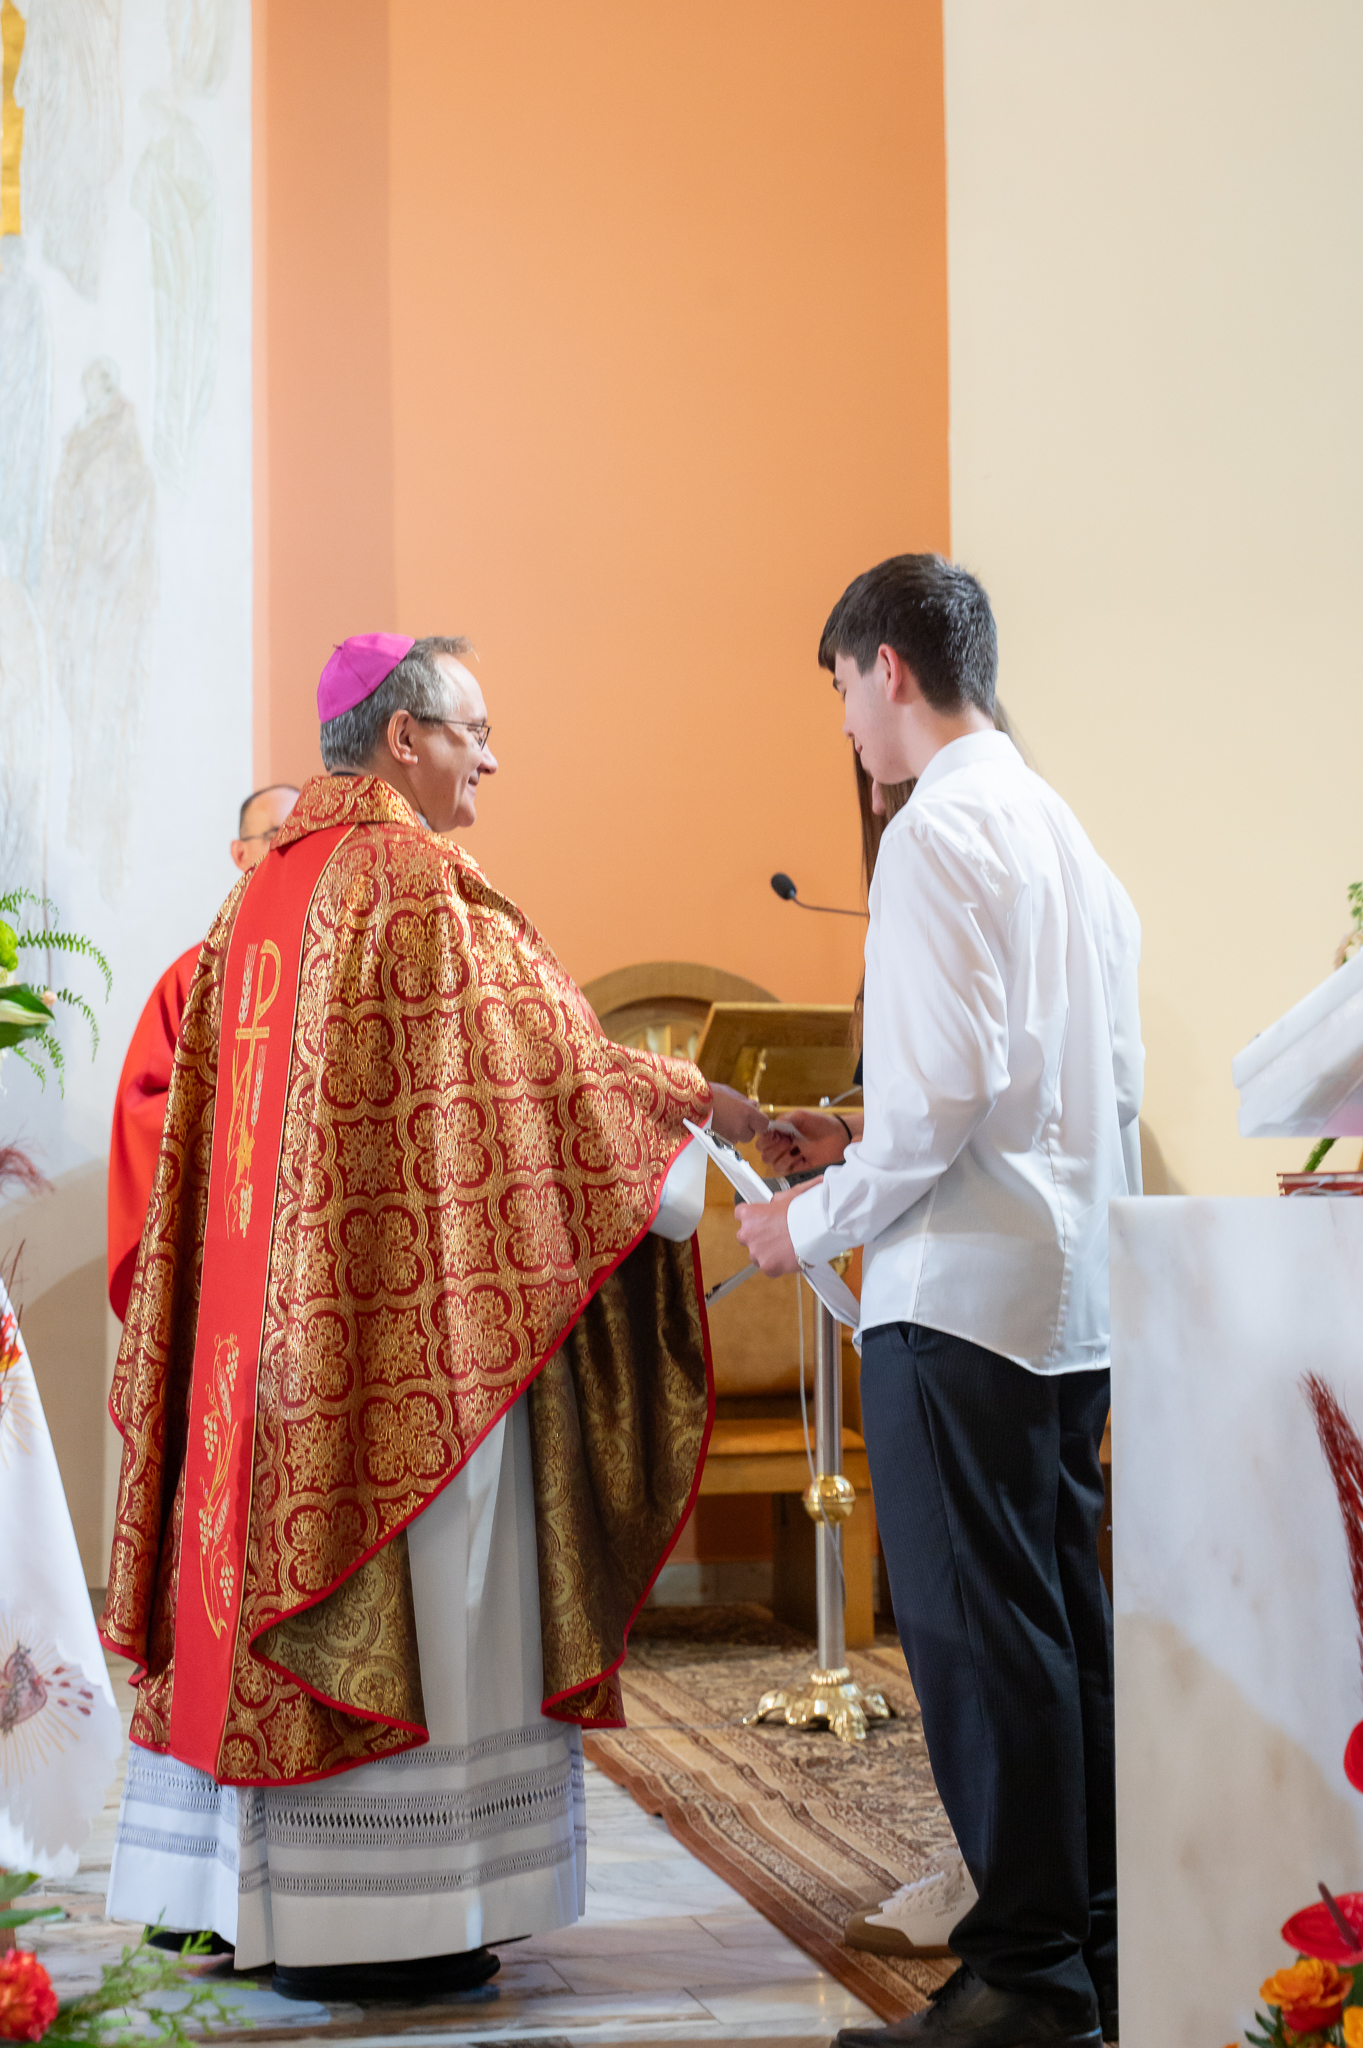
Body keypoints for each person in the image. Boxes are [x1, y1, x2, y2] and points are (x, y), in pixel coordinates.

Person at [100, 633, 764, 2001]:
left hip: (262, 1372)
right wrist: (703, 1108)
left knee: (247, 1590)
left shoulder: (257, 896)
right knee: (437, 1593)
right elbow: (556, 1077)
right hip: (399, 1363)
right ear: (402, 736)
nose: (491, 759)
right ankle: (394, 1920)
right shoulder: (418, 888)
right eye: (473, 730)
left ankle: (247, 1902)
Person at [738, 556, 1142, 2048]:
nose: (848, 722)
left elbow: (945, 1101)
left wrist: (800, 1218)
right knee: (1059, 1632)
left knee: (979, 1645)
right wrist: (864, 1131)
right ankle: (1099, 1950)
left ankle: (1024, 1979)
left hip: (958, 1298)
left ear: (887, 668)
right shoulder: (1060, 829)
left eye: (844, 688)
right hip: (1066, 1294)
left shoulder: (929, 833)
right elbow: (1088, 1083)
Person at [107, 784, 300, 1320]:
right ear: (240, 853)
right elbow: (144, 1109)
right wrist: (243, 1127)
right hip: (225, 1241)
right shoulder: (195, 979)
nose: (294, 849)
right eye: (279, 835)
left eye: (305, 837)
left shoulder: (334, 966)